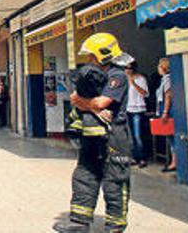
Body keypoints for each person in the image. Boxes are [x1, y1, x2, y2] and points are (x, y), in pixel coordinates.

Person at [54, 32, 133, 233]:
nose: (89, 60)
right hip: (91, 135)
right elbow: (79, 99)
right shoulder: (91, 75)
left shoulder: (118, 75)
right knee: (84, 175)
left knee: (115, 181)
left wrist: (84, 103)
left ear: (103, 54)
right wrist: (89, 105)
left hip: (114, 135)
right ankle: (79, 223)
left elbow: (101, 102)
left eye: (92, 56)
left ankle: (115, 226)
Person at [125, 62, 149, 168]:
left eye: (129, 68)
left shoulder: (141, 79)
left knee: (138, 135)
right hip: (128, 109)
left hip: (138, 109)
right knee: (131, 136)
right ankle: (135, 157)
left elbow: (145, 93)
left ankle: (142, 158)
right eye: (125, 68)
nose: (127, 70)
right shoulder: (124, 81)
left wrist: (133, 83)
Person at [156, 57, 176, 173]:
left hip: (167, 109)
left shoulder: (167, 79)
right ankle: (173, 161)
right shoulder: (163, 79)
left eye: (159, 66)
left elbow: (168, 96)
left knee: (171, 136)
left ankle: (174, 162)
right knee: (169, 136)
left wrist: (165, 112)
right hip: (163, 108)